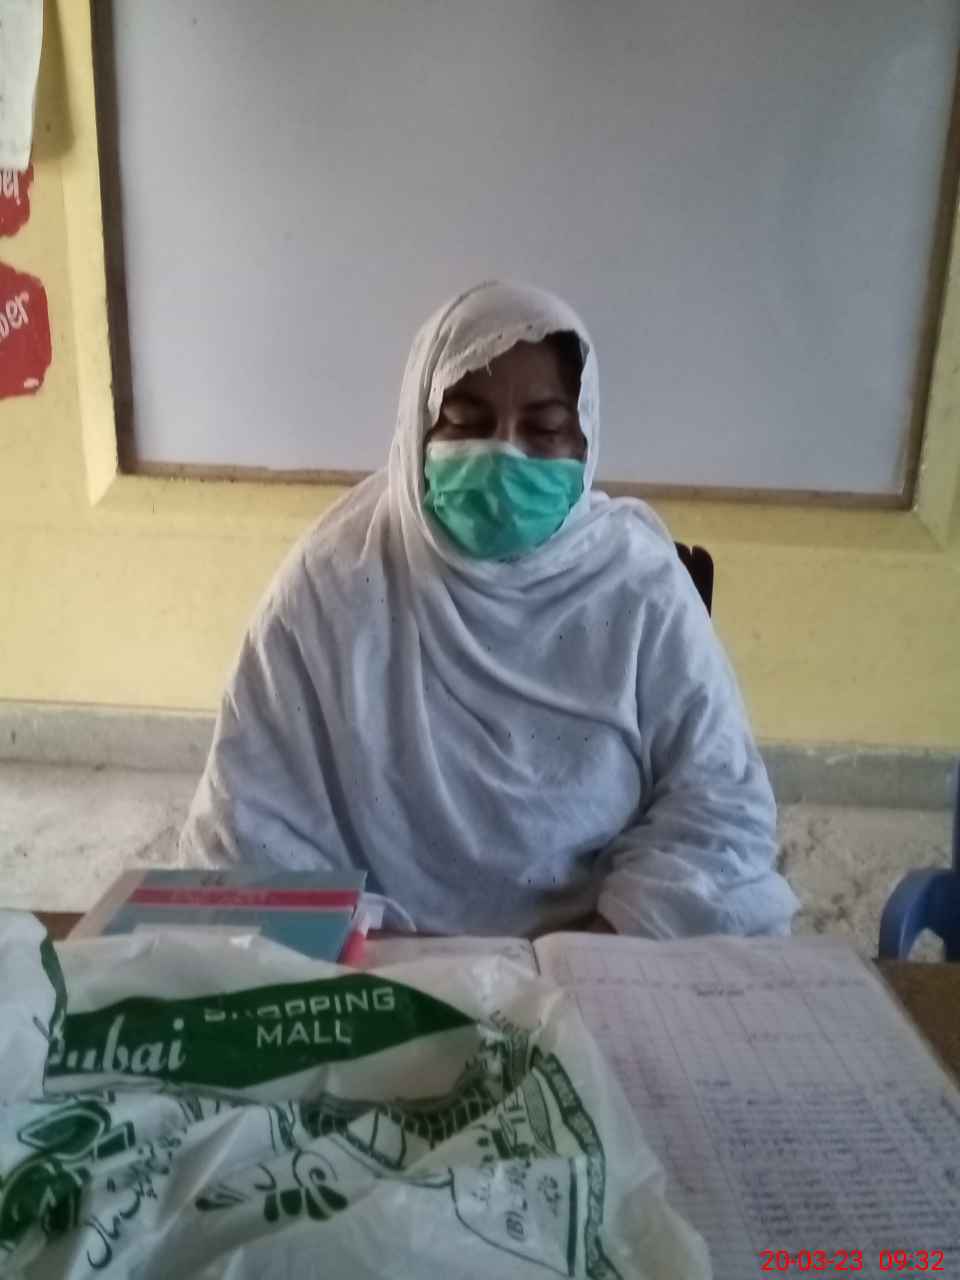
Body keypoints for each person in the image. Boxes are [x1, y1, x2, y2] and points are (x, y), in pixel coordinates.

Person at [179, 281, 798, 938]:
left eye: (544, 429)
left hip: (600, 944)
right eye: (467, 423)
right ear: (416, 429)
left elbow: (719, 805)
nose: (504, 455)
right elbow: (250, 826)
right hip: (386, 951)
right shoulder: (332, 585)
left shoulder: (640, 589)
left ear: (584, 441)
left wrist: (606, 946)